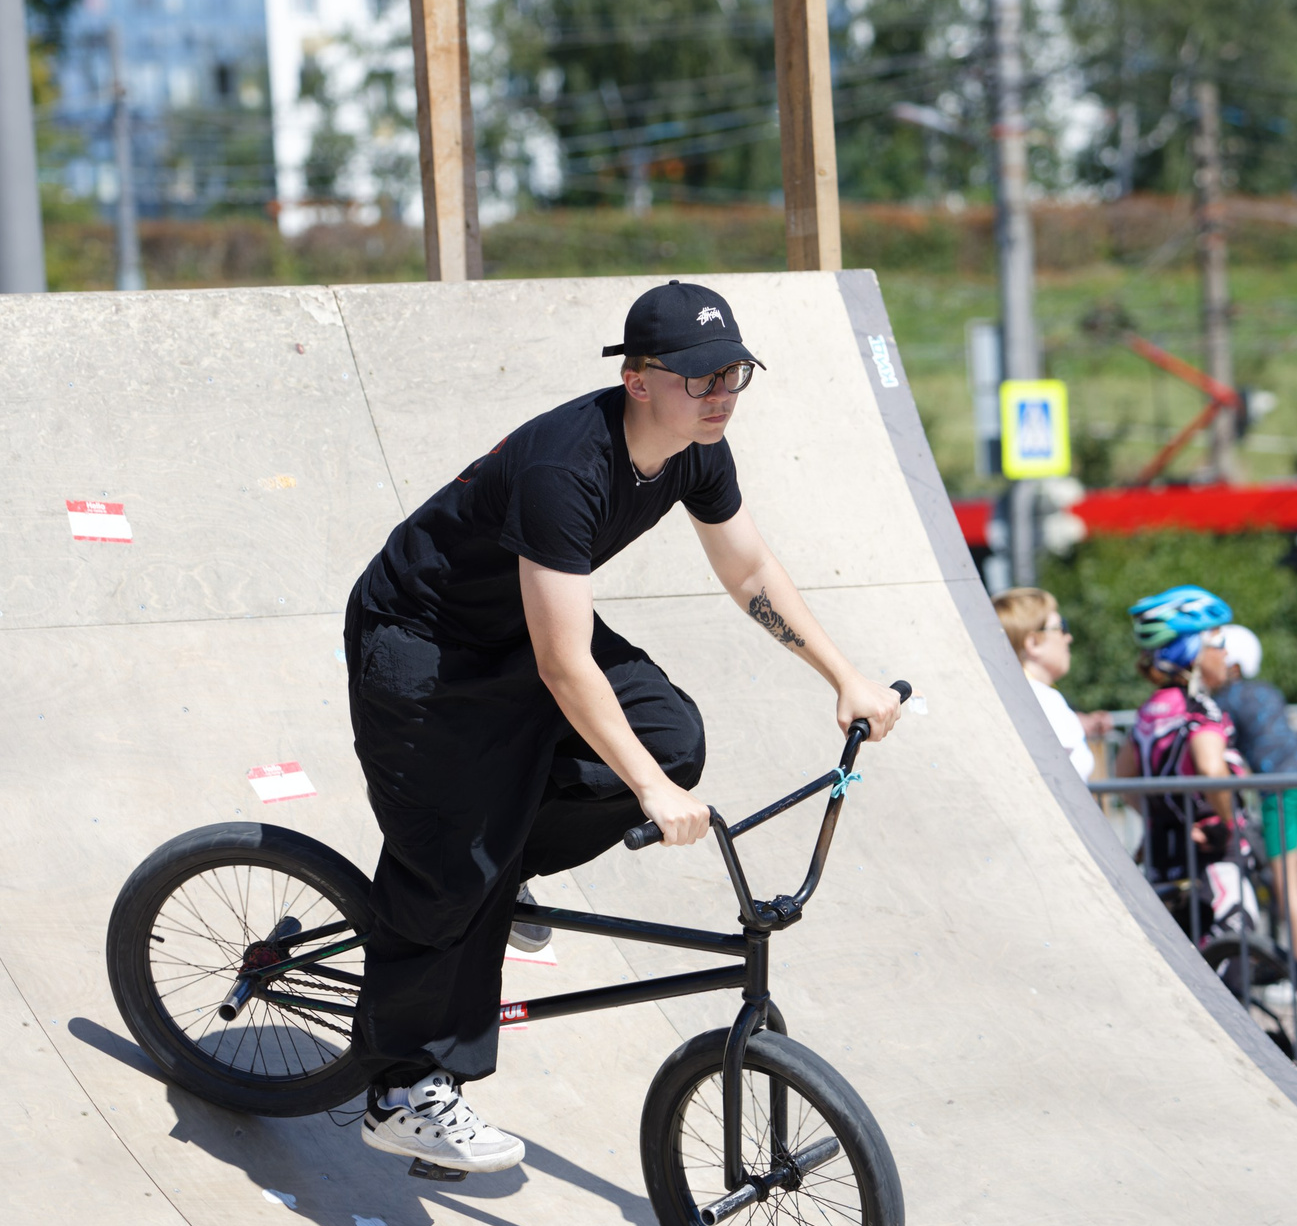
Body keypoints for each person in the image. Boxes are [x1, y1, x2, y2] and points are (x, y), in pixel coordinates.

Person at [343, 281, 905, 1174]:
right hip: (425, 643)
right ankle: (401, 1087)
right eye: (699, 377)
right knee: (453, 864)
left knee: (670, 735)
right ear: (639, 380)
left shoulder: (696, 448)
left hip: (520, 630)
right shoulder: (565, 469)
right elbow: (565, 666)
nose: (720, 392)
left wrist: (844, 675)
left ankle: (507, 868)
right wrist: (647, 789)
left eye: (733, 373)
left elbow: (749, 568)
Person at [1198, 624, 1297, 976]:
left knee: (1287, 884)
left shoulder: (1224, 701)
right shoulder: (1265, 690)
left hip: (1280, 791)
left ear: (1230, 663)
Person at [1127, 588, 1246, 929]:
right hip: (1210, 853)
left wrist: (1161, 816)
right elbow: (1211, 768)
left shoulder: (1151, 708)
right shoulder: (1200, 708)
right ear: (1194, 652)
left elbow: (1124, 776)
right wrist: (1224, 825)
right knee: (1234, 947)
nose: (1226, 653)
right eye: (1218, 642)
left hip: (1164, 852)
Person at [993, 586, 1102, 780]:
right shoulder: (1044, 700)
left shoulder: (1003, 693)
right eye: (1061, 628)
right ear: (1033, 642)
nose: (1068, 637)